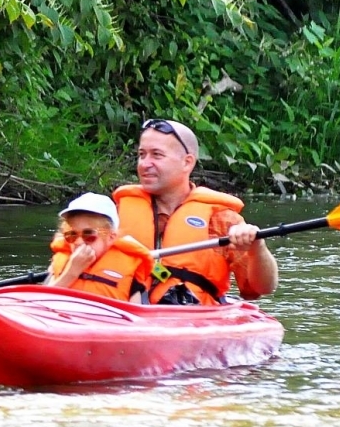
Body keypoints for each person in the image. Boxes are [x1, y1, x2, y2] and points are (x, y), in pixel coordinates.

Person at [113, 118, 276, 304]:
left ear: (187, 163)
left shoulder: (221, 220)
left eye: (157, 155)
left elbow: (262, 288)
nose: (144, 164)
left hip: (192, 319)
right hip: (125, 316)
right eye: (142, 155)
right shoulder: (113, 215)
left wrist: (258, 248)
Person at [45, 193, 153, 303]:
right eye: (71, 235)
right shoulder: (62, 263)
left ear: (111, 237)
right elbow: (42, 303)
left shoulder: (129, 270)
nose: (78, 242)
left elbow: (135, 316)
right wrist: (71, 273)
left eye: (89, 235)